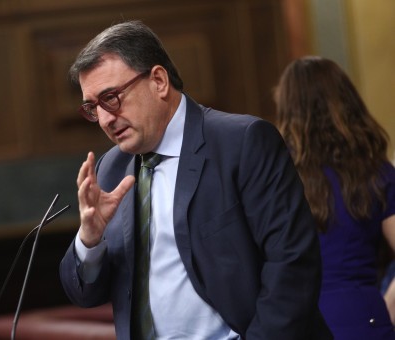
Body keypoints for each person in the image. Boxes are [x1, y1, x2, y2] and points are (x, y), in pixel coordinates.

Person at [59, 20, 332, 339]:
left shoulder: (242, 143)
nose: (104, 119)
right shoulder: (111, 169)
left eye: (111, 98)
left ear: (158, 81)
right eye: (92, 108)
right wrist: (89, 240)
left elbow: (292, 264)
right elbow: (84, 294)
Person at [274, 55, 395, 339]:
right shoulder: (375, 170)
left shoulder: (274, 173)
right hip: (363, 316)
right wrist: (388, 303)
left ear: (287, 108)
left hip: (297, 321)